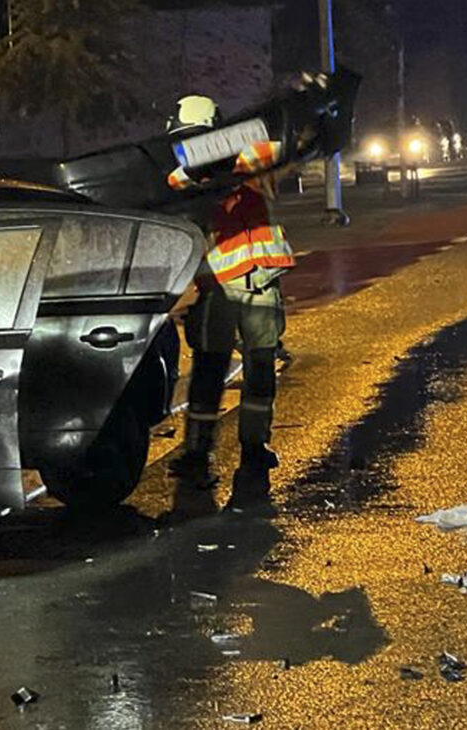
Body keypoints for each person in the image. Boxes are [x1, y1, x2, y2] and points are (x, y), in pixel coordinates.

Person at [164, 95, 297, 510]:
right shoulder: (183, 178)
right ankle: (199, 453)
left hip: (252, 284)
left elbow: (274, 152)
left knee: (257, 370)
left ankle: (251, 448)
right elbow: (178, 182)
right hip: (221, 289)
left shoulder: (250, 159)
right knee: (211, 372)